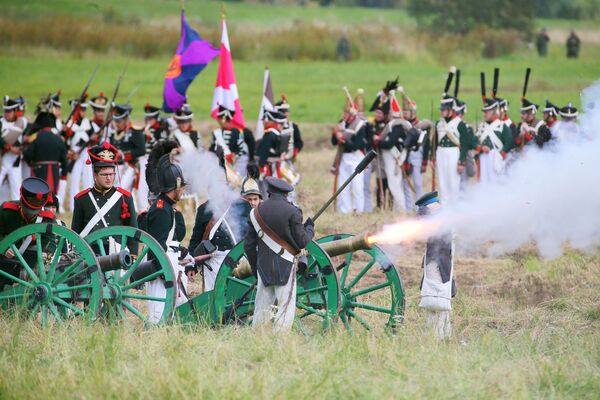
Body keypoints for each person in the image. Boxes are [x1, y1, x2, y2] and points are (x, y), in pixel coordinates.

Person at [244, 177, 314, 332]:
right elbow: (302, 242)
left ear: (268, 191)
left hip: (263, 266)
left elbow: (249, 246)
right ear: (286, 194)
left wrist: (256, 269)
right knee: (285, 306)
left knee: (261, 308)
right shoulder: (293, 211)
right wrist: (309, 229)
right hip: (286, 264)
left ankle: (258, 339)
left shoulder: (255, 212)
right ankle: (279, 342)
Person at [188, 167, 263, 291]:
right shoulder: (203, 210)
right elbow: (196, 238)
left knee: (235, 294)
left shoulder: (241, 206)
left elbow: (252, 233)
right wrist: (192, 266)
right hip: (212, 260)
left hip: (237, 258)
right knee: (212, 295)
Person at [145, 153, 193, 323]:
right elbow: (158, 245)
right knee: (159, 315)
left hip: (170, 263)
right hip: (162, 267)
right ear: (176, 186)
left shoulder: (166, 207)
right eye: (182, 187)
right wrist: (164, 272)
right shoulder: (160, 209)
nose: (184, 190)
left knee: (176, 311)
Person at [71, 143, 137, 242]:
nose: (109, 178)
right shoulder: (82, 199)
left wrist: (133, 254)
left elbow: (132, 231)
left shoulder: (125, 197)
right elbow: (76, 233)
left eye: (111, 174)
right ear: (95, 174)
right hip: (91, 252)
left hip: (117, 251)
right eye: (104, 174)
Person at [0, 177, 56, 289]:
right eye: (28, 209)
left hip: (32, 259)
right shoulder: (6, 212)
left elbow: (50, 242)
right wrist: (4, 248)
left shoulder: (47, 218)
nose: (31, 214)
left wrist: (45, 252)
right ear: (22, 201)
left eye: (34, 211)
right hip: (6, 259)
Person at [416, 191, 455, 339]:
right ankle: (444, 334)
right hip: (444, 262)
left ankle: (435, 336)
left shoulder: (437, 219)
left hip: (436, 263)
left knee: (435, 300)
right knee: (442, 301)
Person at [331, 96, 367, 214]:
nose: (344, 115)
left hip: (356, 157)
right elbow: (334, 142)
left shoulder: (360, 126)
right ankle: (345, 210)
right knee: (343, 186)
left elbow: (356, 145)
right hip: (344, 157)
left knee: (357, 187)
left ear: (352, 115)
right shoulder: (341, 124)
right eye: (344, 113)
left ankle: (359, 210)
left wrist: (341, 138)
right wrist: (335, 135)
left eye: (346, 113)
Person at [22, 109, 68, 195]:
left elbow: (28, 154)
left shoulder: (36, 138)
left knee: (37, 195)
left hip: (38, 170)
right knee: (51, 196)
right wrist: (64, 174)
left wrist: (30, 162)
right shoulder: (58, 139)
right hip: (54, 171)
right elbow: (64, 158)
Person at [434, 95, 469, 205]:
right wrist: (432, 157)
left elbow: (464, 144)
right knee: (443, 184)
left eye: (444, 109)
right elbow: (435, 142)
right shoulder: (439, 123)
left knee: (453, 183)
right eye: (442, 109)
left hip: (453, 153)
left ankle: (454, 210)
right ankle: (444, 210)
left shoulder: (460, 124)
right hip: (441, 152)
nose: (442, 112)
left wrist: (462, 161)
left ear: (451, 109)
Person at [401, 90, 433, 211]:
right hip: (405, 156)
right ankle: (409, 208)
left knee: (418, 184)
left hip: (417, 156)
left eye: (407, 111)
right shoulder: (403, 125)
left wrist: (424, 161)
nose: (405, 113)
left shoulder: (421, 125)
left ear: (413, 112)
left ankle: (420, 209)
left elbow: (426, 145)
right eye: (404, 111)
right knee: (406, 183)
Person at [108, 104, 145, 194]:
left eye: (119, 121)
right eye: (116, 121)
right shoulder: (114, 133)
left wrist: (123, 155)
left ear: (126, 120)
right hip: (116, 167)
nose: (117, 124)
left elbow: (141, 150)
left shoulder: (134, 132)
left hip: (130, 166)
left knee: (121, 191)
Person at [475, 98, 513, 184]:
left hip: (496, 157)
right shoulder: (482, 126)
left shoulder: (502, 126)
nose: (484, 114)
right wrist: (480, 148)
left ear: (494, 111)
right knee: (483, 182)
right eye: (484, 112)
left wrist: (502, 154)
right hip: (483, 157)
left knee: (496, 183)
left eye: (487, 112)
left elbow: (509, 141)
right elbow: (474, 140)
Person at [66, 98, 92, 212]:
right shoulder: (69, 124)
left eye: (84, 109)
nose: (84, 112)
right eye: (81, 109)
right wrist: (71, 154)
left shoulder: (87, 123)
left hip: (85, 153)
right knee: (74, 181)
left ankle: (88, 205)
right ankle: (73, 207)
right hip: (74, 153)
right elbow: (65, 141)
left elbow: (92, 137)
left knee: (88, 180)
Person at [0, 96, 27, 203]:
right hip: (2, 161)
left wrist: (22, 148)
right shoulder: (1, 122)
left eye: (9, 111)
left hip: (15, 162)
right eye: (5, 111)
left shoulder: (22, 122)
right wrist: (10, 148)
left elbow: (28, 140)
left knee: (16, 191)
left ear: (15, 111)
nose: (7, 113)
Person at [210, 106, 248, 175]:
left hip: (234, 166)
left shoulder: (236, 132)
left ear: (224, 119)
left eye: (220, 118)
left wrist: (232, 157)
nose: (218, 120)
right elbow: (212, 149)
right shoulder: (216, 133)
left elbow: (241, 150)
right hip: (218, 165)